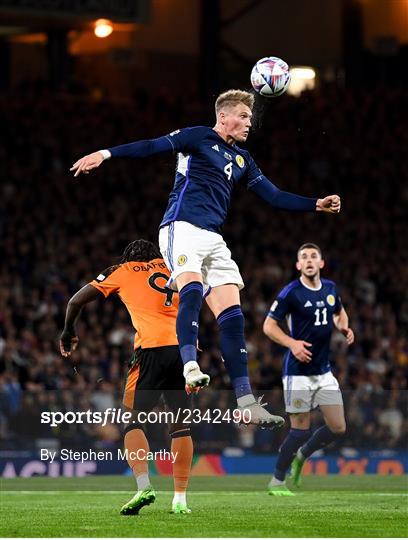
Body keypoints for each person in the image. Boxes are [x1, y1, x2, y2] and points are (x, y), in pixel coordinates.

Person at [71, 89, 341, 428]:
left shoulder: (244, 160)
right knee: (193, 288)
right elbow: (152, 145)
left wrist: (315, 203)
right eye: (243, 116)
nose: (248, 123)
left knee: (232, 313)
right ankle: (189, 366)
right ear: (223, 116)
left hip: (213, 237)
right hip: (180, 226)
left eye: (250, 117)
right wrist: (105, 153)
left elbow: (273, 196)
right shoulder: (198, 137)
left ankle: (245, 401)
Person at [60, 239, 194, 515]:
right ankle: (180, 499)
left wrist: (68, 331)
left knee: (132, 420)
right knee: (180, 426)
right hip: (184, 350)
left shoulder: (121, 270)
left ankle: (144, 485)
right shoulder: (174, 266)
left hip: (150, 350)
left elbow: (76, 301)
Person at [263, 243, 354, 495]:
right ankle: (277, 481)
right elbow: (268, 326)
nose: (309, 260)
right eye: (304, 257)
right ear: (298, 266)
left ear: (321, 263)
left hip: (323, 372)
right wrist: (292, 343)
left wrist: (344, 327)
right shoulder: (290, 293)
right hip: (297, 373)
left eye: (314, 256)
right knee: (299, 430)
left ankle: (302, 456)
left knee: (338, 427)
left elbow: (339, 313)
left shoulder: (330, 289)